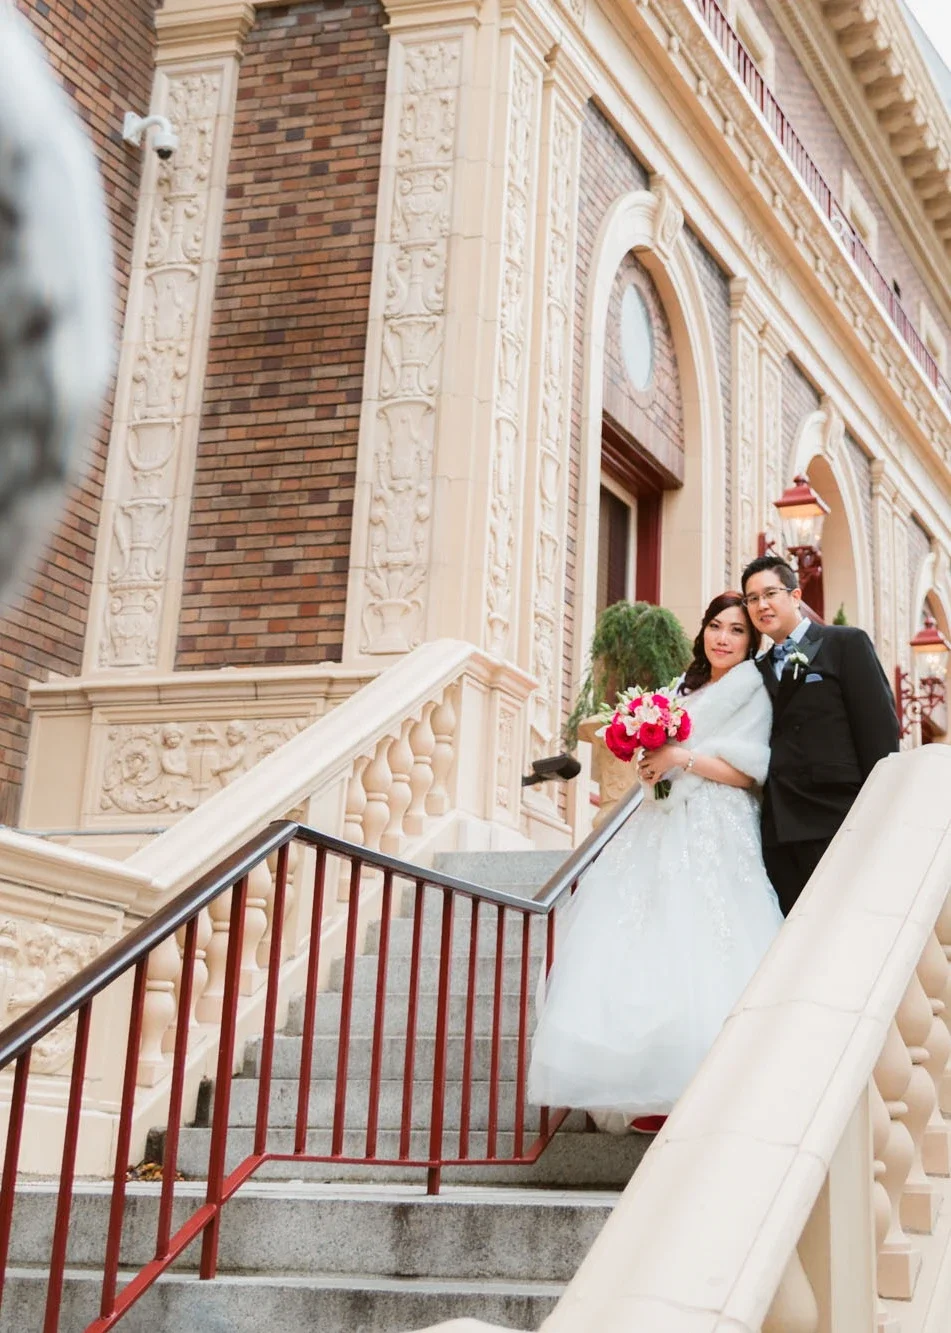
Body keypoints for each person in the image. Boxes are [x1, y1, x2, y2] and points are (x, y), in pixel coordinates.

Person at [527, 593, 784, 1134]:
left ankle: (715, 1088)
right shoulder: (679, 691)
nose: (723, 638)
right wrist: (650, 764)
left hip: (717, 824)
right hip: (660, 822)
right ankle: (649, 1086)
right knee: (642, 939)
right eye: (716, 626)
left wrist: (681, 758)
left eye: (737, 631)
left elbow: (751, 771)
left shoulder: (753, 690)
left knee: (705, 940)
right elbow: (656, 760)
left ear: (750, 641)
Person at [740, 555, 900, 917]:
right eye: (752, 598)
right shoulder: (754, 670)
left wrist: (880, 814)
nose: (761, 605)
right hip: (779, 830)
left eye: (770, 593)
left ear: (795, 595)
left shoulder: (844, 644)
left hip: (836, 819)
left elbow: (879, 735)